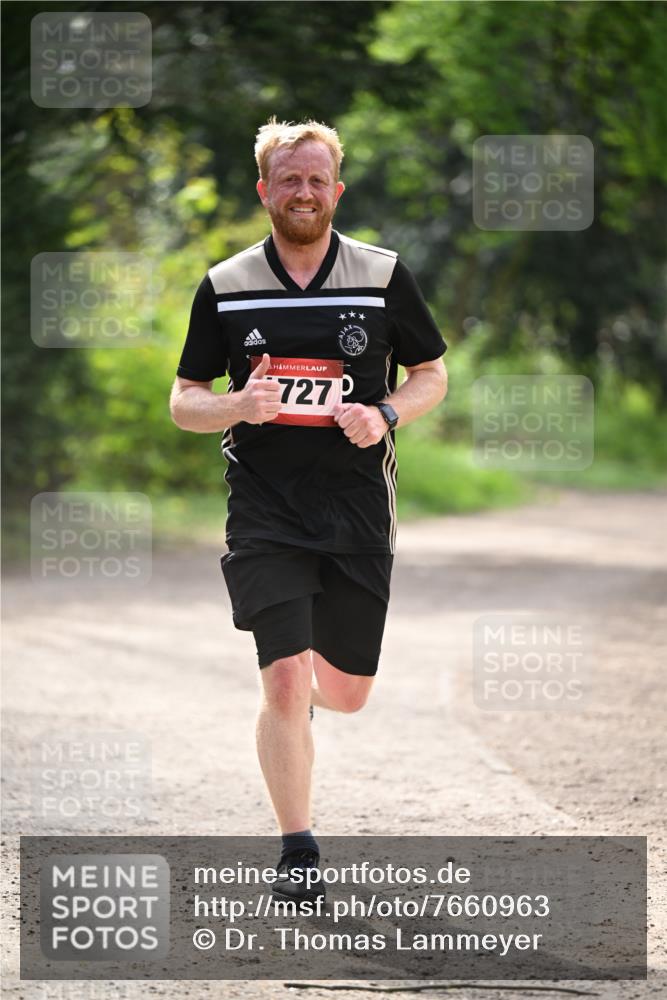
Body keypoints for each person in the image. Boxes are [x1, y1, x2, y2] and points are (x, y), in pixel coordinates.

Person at [170, 118, 447, 903]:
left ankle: (309, 712)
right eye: (287, 179)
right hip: (263, 511)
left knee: (346, 692)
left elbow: (430, 372)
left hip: (356, 507)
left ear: (337, 189)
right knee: (284, 681)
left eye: (315, 179)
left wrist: (386, 413)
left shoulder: (382, 273)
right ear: (264, 189)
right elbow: (183, 400)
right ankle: (297, 849)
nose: (302, 192)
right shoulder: (225, 285)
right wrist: (235, 404)